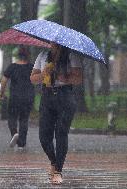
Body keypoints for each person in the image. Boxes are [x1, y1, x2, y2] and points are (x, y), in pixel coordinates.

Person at [30, 43, 83, 184]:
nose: (53, 44)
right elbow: (33, 78)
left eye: (56, 42)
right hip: (47, 96)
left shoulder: (72, 56)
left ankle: (58, 171)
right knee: (44, 136)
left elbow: (78, 78)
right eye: (52, 41)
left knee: (61, 133)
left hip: (65, 96)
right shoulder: (42, 55)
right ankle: (53, 161)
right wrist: (44, 74)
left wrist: (61, 76)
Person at [0, 48, 35, 151]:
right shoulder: (32, 67)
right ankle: (21, 144)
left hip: (15, 97)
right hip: (28, 97)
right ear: (28, 56)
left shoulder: (12, 67)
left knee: (12, 118)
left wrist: (2, 94)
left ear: (18, 56)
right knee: (24, 119)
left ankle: (15, 133)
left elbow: (4, 81)